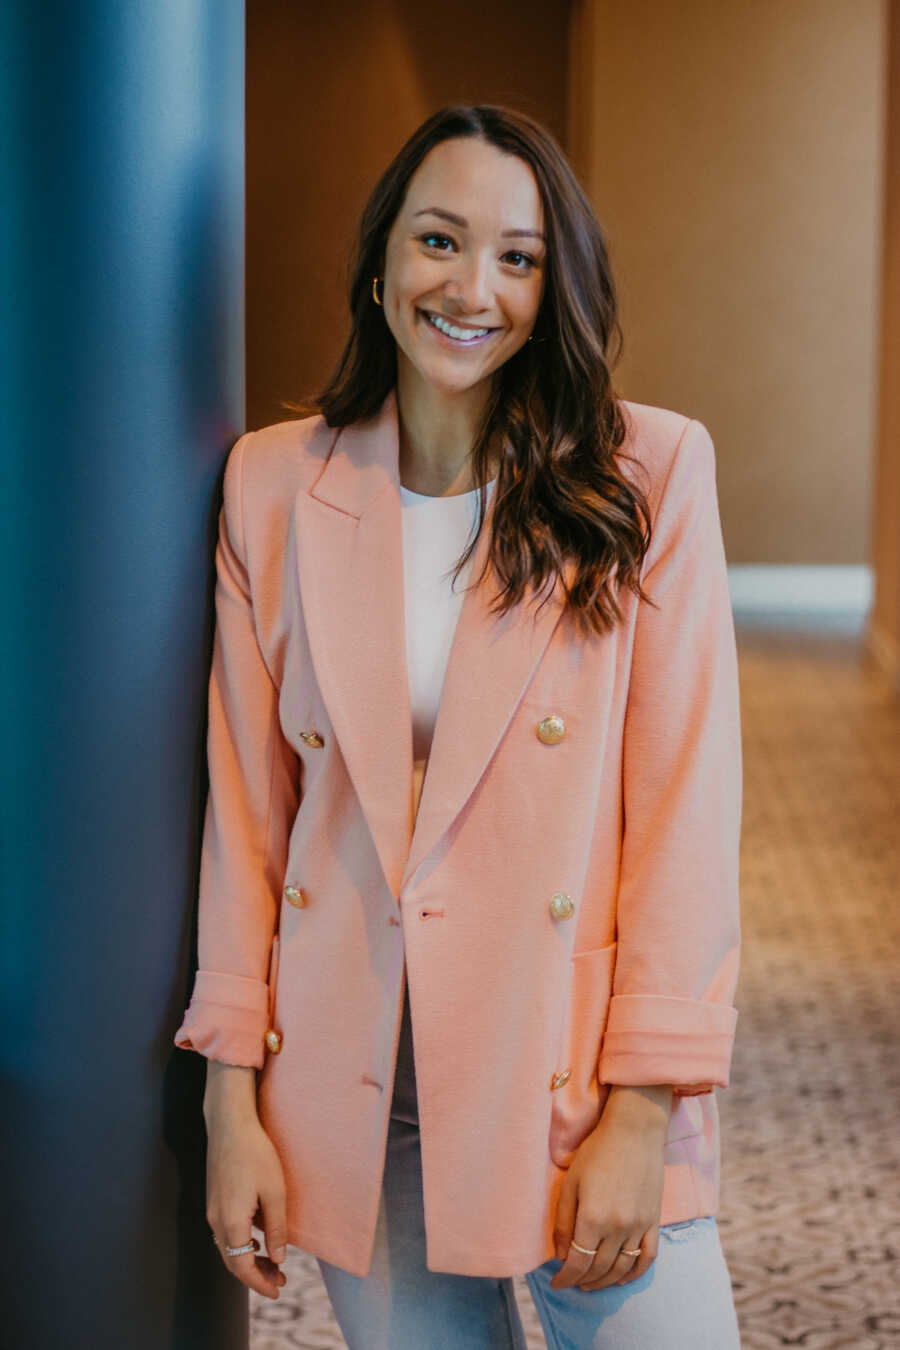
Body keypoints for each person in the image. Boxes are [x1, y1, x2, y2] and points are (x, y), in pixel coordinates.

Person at [174, 103, 743, 1348]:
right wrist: (235, 1105)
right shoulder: (276, 486)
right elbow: (249, 818)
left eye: (519, 257)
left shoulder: (649, 476)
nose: (471, 286)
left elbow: (684, 816)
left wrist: (641, 1116)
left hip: (574, 1078)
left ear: (554, 286)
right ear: (380, 264)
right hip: (369, 1093)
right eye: (438, 241)